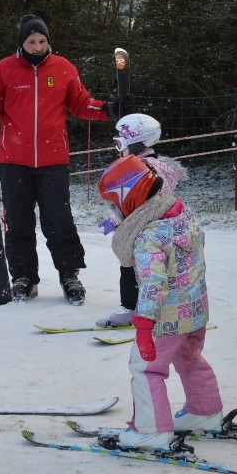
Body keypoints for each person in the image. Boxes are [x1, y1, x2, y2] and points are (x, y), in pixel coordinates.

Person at [0, 14, 134, 305]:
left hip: (53, 159)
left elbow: (81, 103)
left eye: (42, 41)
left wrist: (110, 109)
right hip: (13, 159)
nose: (38, 46)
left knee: (58, 219)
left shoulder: (63, 68)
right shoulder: (3, 70)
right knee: (18, 221)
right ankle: (23, 277)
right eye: (31, 41)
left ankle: (69, 274)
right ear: (22, 42)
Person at [97, 154, 222, 451]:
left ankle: (151, 430)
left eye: (115, 203)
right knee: (189, 357)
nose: (114, 211)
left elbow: (153, 284)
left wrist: (143, 325)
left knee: (146, 369)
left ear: (129, 198)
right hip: (195, 311)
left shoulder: (147, 236)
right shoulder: (181, 213)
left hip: (165, 318)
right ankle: (205, 412)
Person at [95, 113, 188, 328]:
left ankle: (131, 308)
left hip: (145, 230)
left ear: (139, 143)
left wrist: (117, 219)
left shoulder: (142, 170)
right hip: (162, 228)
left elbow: (136, 204)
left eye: (121, 144)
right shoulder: (155, 166)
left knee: (130, 262)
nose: (119, 150)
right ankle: (162, 305)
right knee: (157, 269)